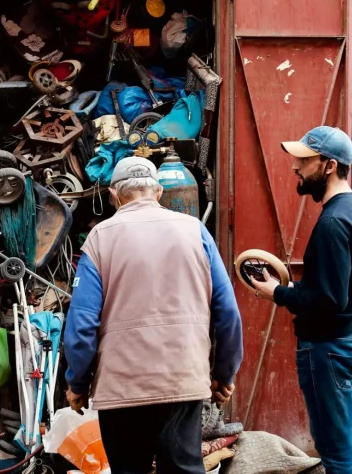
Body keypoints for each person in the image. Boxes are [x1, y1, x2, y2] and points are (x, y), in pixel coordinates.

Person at [64, 157, 244, 474]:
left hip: (121, 387)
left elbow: (82, 326)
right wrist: (223, 376)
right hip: (182, 377)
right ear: (158, 192)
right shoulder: (196, 231)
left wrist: (77, 384)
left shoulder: (99, 239)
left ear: (113, 196)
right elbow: (228, 312)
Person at [251, 126, 352, 474]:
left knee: (337, 453)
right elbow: (338, 289)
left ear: (328, 165)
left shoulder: (334, 221)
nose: (296, 166)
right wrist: (292, 286)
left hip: (331, 348)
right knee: (337, 446)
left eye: (305, 159)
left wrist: (277, 292)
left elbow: (328, 301)